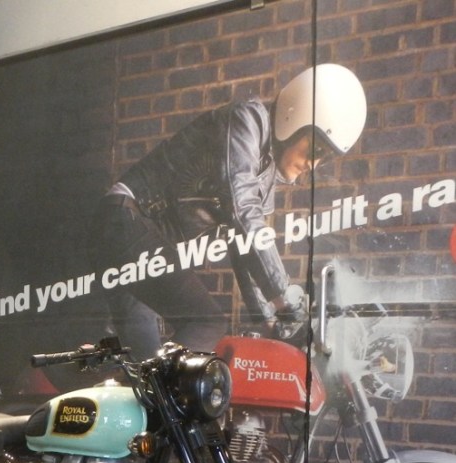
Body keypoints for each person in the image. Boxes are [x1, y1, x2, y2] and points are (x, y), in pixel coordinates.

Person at [88, 63, 367, 355]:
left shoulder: (266, 175)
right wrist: (284, 299)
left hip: (136, 236)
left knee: (144, 362)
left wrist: (269, 321)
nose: (313, 164)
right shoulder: (248, 120)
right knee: (206, 322)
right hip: (125, 219)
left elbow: (244, 246)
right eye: (316, 150)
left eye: (324, 158)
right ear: (294, 118)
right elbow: (243, 210)